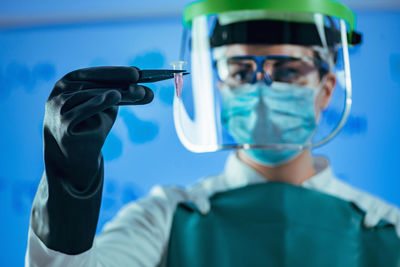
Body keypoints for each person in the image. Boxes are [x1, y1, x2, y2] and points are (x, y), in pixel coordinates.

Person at [25, 0, 400, 266]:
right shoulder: (168, 217)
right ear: (220, 86)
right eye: (239, 72)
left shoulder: (387, 229)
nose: (261, 89)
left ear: (327, 89)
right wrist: (68, 192)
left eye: (287, 71)